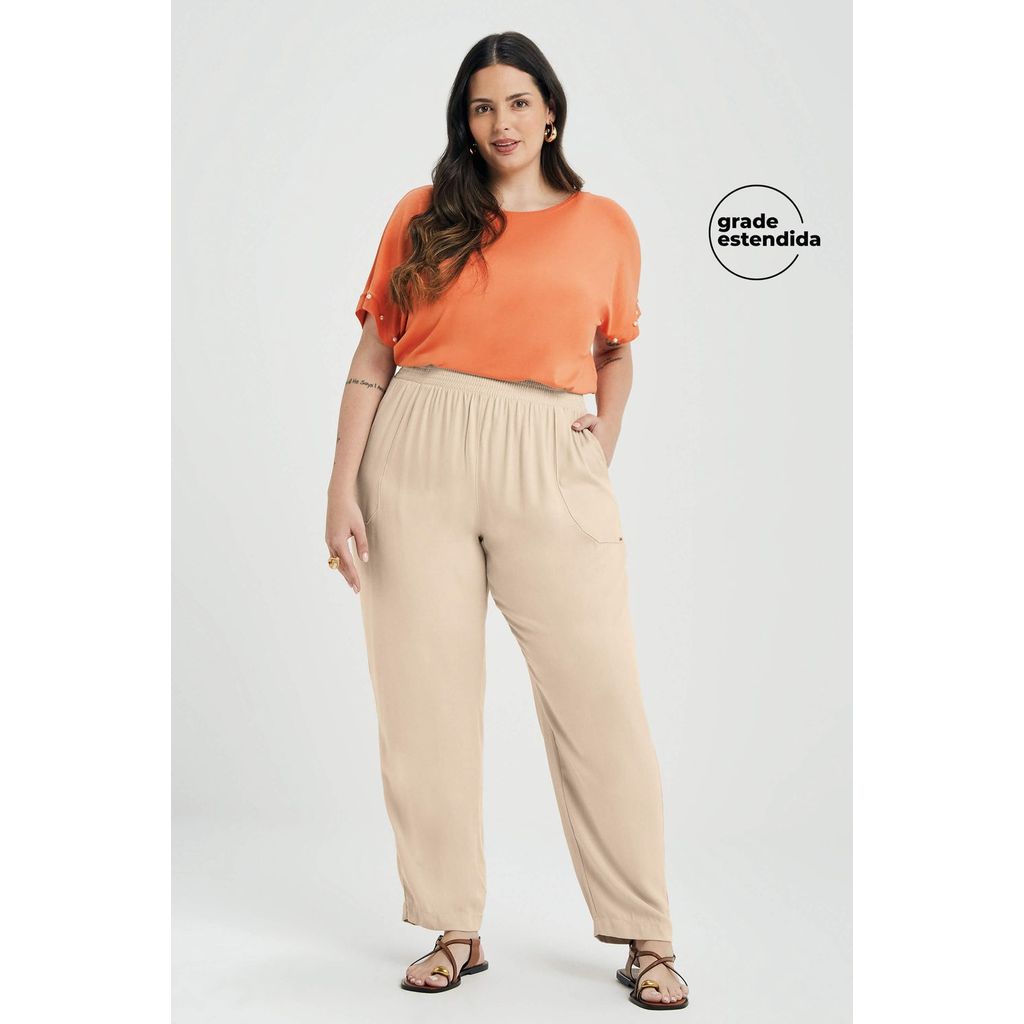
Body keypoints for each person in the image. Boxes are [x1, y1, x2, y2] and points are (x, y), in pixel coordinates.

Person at [325, 31, 688, 1010]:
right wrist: (341, 487)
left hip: (548, 457)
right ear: (465, 120)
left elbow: (616, 350)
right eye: (482, 106)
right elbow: (374, 354)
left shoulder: (604, 223)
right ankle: (453, 926)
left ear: (551, 112)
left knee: (601, 700)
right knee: (424, 703)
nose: (501, 122)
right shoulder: (422, 214)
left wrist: (597, 448)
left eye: (518, 102)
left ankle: (647, 932)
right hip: (416, 452)